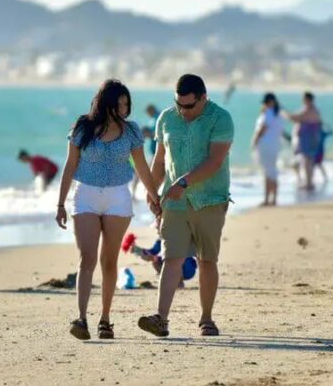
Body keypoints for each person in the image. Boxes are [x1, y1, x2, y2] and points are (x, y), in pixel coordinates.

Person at [54, 80, 161, 341]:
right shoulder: (82, 128)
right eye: (119, 103)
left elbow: (141, 167)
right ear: (106, 103)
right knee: (87, 258)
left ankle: (105, 320)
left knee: (109, 261)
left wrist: (154, 196)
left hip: (117, 198)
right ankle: (81, 318)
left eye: (127, 104)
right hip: (85, 196)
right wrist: (60, 204)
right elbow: (70, 166)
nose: (124, 109)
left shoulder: (131, 131)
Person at [138, 74, 234, 338]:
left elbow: (215, 161)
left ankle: (206, 319)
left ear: (203, 98)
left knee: (207, 260)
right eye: (179, 104)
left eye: (189, 106)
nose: (183, 111)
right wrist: (152, 191)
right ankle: (161, 319)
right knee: (172, 259)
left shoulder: (221, 118)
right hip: (175, 202)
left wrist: (183, 183)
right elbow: (159, 161)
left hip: (210, 200)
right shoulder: (167, 119)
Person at [284, 92, 323, 192]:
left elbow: (295, 118)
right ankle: (308, 181)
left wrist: (284, 114)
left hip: (307, 138)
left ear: (307, 99)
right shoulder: (315, 110)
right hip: (312, 138)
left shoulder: (309, 110)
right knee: (308, 161)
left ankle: (308, 183)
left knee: (307, 161)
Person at [252, 92, 284, 206]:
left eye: (266, 102)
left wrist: (254, 142)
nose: (264, 105)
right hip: (275, 145)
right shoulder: (278, 115)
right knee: (272, 172)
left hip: (266, 145)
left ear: (271, 102)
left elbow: (262, 129)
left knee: (268, 172)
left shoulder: (268, 114)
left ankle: (268, 199)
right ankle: (273, 198)